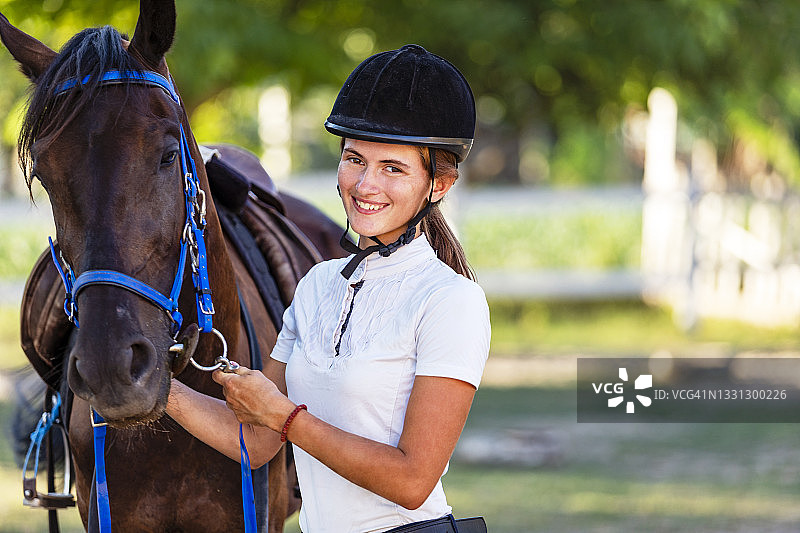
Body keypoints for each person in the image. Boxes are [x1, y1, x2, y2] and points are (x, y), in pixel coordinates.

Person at [167, 44, 490, 533]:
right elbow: (255, 442)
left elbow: (411, 482)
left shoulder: (451, 301)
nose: (365, 185)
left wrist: (286, 417)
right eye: (355, 159)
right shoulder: (317, 284)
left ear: (439, 185)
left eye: (393, 168)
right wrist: (156, 388)